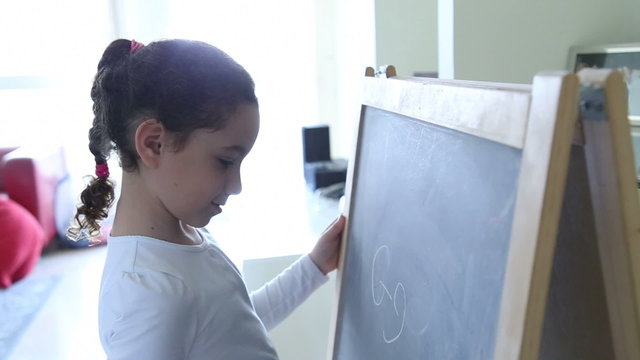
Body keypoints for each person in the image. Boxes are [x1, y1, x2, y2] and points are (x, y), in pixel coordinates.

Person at [69, 38, 346, 360]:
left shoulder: (185, 235)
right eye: (226, 161)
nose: (237, 185)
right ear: (154, 144)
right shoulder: (147, 294)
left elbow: (236, 325)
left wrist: (315, 265)